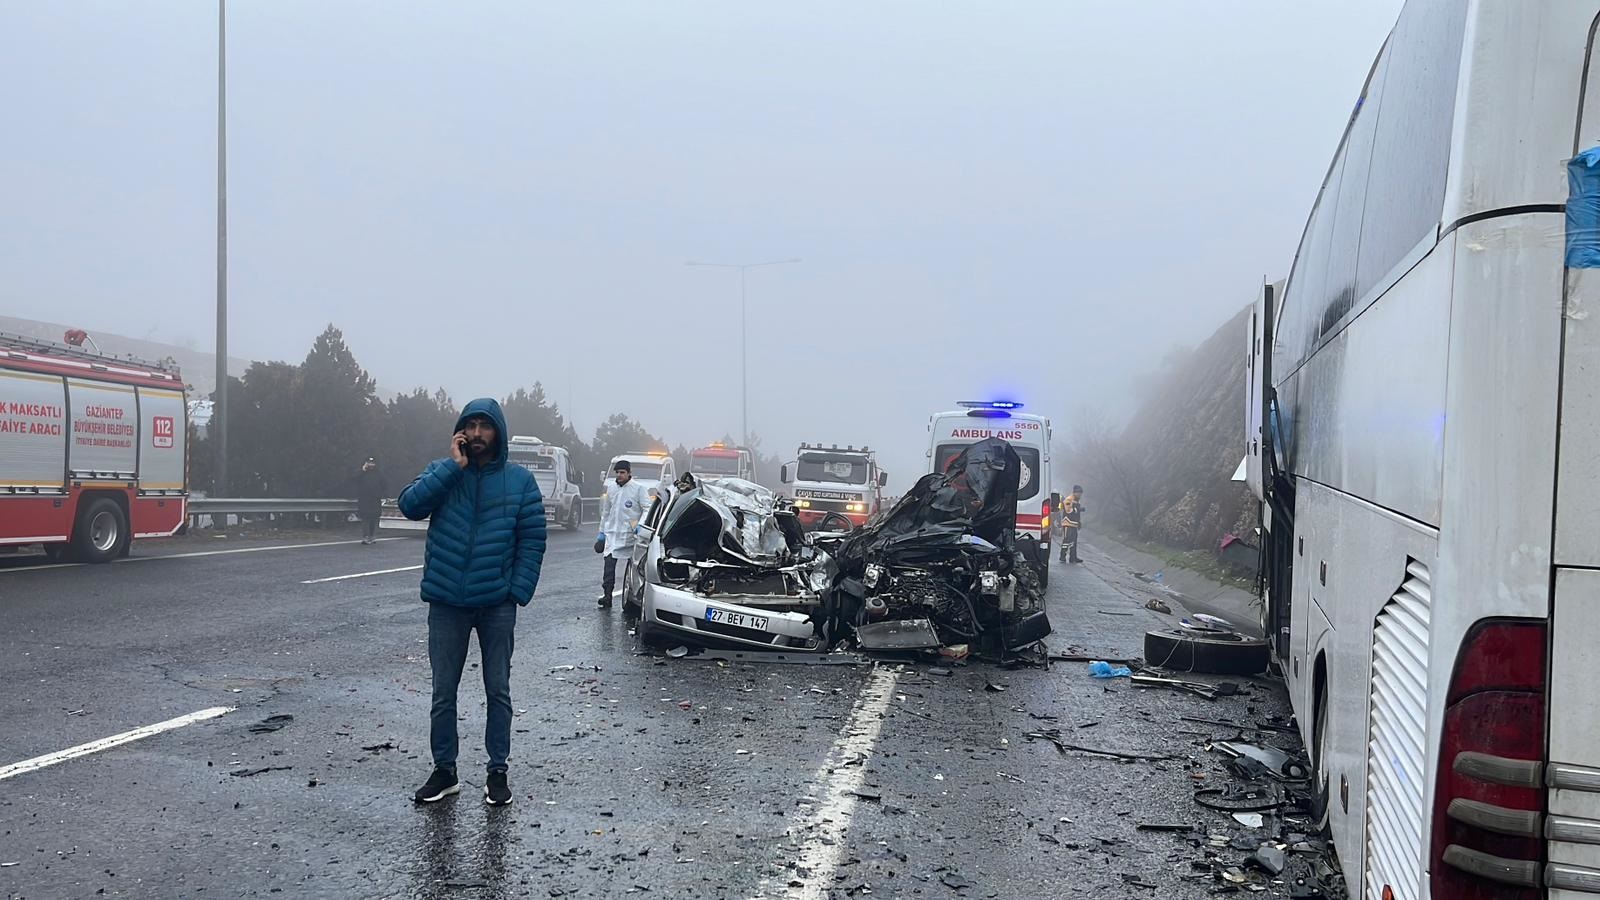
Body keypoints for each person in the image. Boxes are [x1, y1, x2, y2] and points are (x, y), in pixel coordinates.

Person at [397, 399, 546, 806]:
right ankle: (444, 771)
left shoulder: (519, 482)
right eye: (471, 425)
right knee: (443, 692)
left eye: (486, 426)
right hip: (446, 603)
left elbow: (532, 539)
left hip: (497, 604)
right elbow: (409, 506)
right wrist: (452, 467)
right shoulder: (443, 473)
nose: (478, 433)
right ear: (461, 432)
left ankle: (497, 771)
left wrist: (517, 591)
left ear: (498, 432)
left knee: (497, 689)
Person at [596, 459, 650, 608]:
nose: (619, 475)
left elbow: (647, 508)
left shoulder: (639, 489)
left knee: (633, 567)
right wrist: (601, 533)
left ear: (629, 473)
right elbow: (606, 512)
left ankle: (633, 597)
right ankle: (607, 595)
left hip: (630, 535)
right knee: (608, 565)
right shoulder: (612, 488)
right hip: (612, 533)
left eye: (622, 472)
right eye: (617, 473)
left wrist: (640, 526)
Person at [355, 457, 388, 545]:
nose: (371, 465)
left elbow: (385, 484)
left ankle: (372, 536)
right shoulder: (361, 473)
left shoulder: (379, 473)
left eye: (372, 463)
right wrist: (362, 470)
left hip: (375, 500)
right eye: (369, 463)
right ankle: (365, 537)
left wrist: (382, 494)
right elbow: (354, 479)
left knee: (373, 519)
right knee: (365, 518)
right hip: (364, 500)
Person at [1061, 485, 1085, 564]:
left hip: (1074, 524)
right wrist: (1077, 509)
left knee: (1073, 542)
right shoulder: (1069, 499)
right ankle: (1062, 556)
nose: (1080, 495)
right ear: (1074, 492)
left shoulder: (1077, 500)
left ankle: (1073, 557)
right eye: (1078, 493)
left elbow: (1076, 514)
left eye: (1081, 493)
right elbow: (1069, 511)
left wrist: (1079, 522)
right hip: (1068, 523)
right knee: (1066, 541)